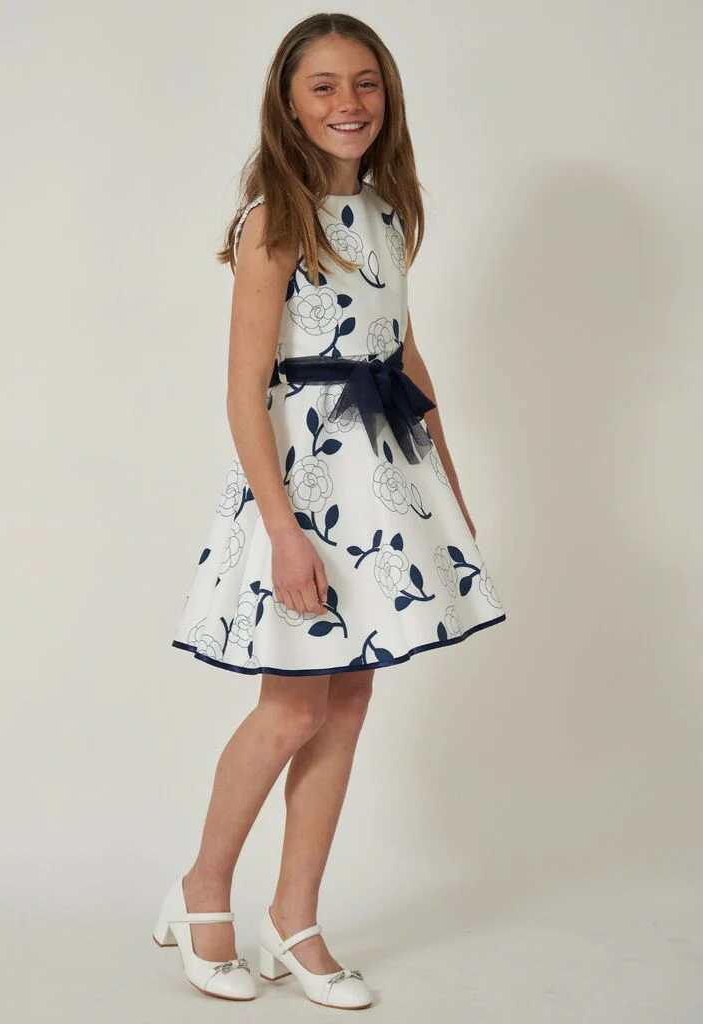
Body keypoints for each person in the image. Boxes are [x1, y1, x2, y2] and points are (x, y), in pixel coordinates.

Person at [153, 12, 507, 1009]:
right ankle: (202, 889)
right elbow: (243, 393)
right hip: (305, 491)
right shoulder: (275, 220)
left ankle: (294, 914)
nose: (349, 103)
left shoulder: (388, 215)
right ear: (288, 103)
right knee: (291, 706)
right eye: (323, 86)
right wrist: (282, 530)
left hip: (381, 485)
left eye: (365, 83)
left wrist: (448, 489)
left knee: (347, 701)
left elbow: (404, 355)